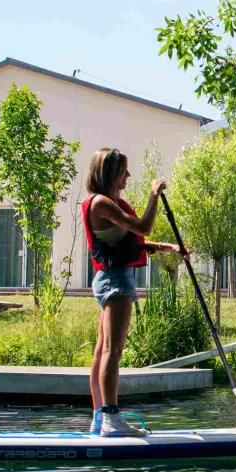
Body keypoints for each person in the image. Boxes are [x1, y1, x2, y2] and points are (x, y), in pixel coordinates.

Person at [83, 148, 185, 436]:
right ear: (109, 173)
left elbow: (131, 242)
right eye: (124, 170)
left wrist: (170, 248)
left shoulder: (108, 203)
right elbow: (143, 225)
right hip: (115, 281)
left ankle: (100, 418)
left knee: (103, 349)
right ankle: (111, 419)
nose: (128, 175)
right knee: (112, 351)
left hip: (111, 277)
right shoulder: (101, 204)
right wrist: (154, 194)